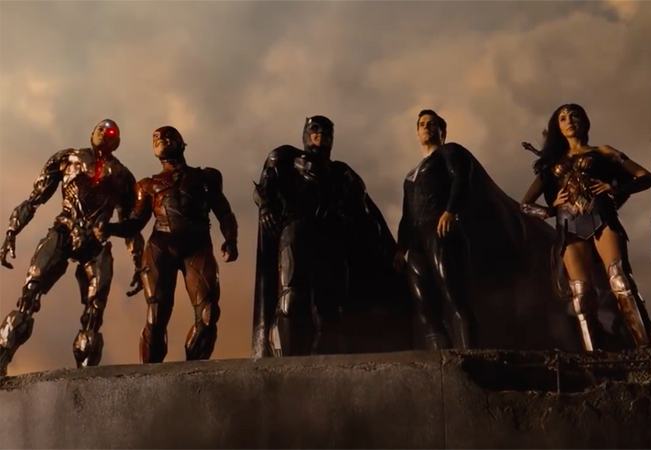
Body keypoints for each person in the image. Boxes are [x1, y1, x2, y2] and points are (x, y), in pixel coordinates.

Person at [396, 109, 578, 351]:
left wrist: (450, 210)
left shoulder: (449, 152)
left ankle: (468, 353)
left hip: (441, 231)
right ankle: (438, 357)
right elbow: (407, 213)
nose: (426, 127)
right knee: (424, 303)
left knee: (453, 293)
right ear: (417, 132)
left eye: (432, 123)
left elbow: (462, 178)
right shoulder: (410, 175)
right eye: (421, 124)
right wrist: (401, 247)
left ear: (442, 131)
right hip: (417, 242)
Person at [0, 119, 144, 375]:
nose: (104, 132)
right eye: (100, 128)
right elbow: (35, 199)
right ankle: (2, 355)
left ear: (117, 142)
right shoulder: (68, 158)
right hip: (65, 230)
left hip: (97, 240)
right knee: (30, 292)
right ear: (92, 133)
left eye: (110, 131)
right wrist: (12, 231)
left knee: (95, 310)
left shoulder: (122, 176)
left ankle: (85, 375)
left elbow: (130, 223)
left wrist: (138, 261)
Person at [252, 116, 404, 357]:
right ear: (305, 133)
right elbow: (264, 188)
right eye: (314, 129)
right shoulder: (286, 159)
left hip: (332, 242)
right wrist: (266, 208)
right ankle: (286, 363)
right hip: (297, 236)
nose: (320, 134)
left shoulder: (342, 173)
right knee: (292, 300)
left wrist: (392, 249)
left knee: (329, 309)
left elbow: (369, 213)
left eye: (325, 131)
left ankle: (325, 364)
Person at [519, 104, 651, 351]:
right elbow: (525, 205)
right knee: (581, 294)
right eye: (563, 118)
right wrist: (550, 209)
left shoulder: (603, 152)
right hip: (568, 226)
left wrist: (616, 188)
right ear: (558, 127)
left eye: (575, 116)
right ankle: (595, 354)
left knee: (619, 279)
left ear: (584, 121)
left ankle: (645, 346)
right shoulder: (551, 164)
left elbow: (646, 177)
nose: (569, 121)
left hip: (602, 218)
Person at [104, 126, 238, 363]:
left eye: (165, 136)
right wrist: (109, 228)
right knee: (156, 316)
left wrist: (230, 239)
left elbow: (224, 212)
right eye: (155, 138)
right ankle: (150, 375)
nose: (159, 140)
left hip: (197, 246)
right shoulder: (147, 185)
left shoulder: (206, 177)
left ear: (180, 142)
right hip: (161, 247)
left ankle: (192, 372)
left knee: (207, 315)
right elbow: (135, 223)